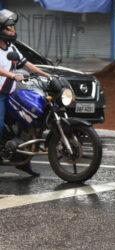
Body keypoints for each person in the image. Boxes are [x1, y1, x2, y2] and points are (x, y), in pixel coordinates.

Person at [0, 9, 50, 176]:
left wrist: (47, 74)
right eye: (8, 28)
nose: (12, 30)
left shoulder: (11, 47)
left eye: (13, 27)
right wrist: (12, 74)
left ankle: (23, 162)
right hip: (0, 95)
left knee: (28, 124)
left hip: (11, 93)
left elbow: (27, 64)